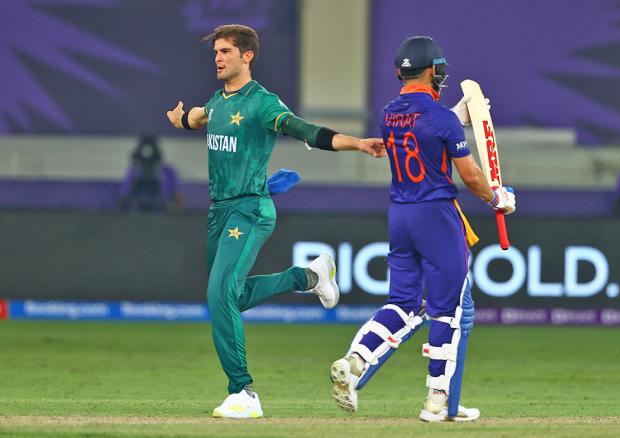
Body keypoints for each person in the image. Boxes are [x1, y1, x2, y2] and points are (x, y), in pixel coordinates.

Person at [165, 24, 385, 419]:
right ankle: (309, 277)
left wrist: (358, 143)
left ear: (247, 56)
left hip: (250, 209)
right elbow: (200, 118)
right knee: (231, 297)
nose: (217, 58)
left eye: (226, 51)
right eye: (215, 52)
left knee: (219, 295)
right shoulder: (217, 101)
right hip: (220, 212)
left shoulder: (262, 103)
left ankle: (243, 393)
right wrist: (181, 120)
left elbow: (304, 130)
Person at [329, 36, 516, 422]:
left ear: (400, 71)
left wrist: (458, 117)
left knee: (401, 303)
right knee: (445, 312)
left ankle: (356, 358)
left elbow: (422, 128)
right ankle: (437, 401)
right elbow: (471, 176)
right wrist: (499, 200)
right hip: (437, 217)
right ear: (435, 71)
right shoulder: (442, 119)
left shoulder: (388, 114)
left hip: (400, 215)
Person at [119, 135, 182, 212]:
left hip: (160, 213)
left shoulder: (167, 172)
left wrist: (172, 204)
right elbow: (124, 195)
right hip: (137, 213)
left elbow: (176, 198)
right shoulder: (133, 172)